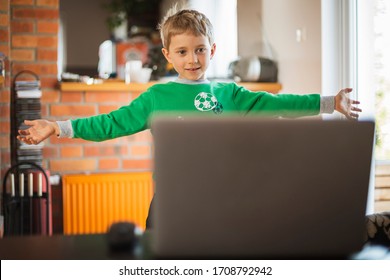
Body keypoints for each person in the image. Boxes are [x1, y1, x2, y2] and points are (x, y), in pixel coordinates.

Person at [17, 7, 362, 229]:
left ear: (212, 49)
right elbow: (110, 123)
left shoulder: (231, 94)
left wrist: (329, 101)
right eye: (182, 51)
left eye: (199, 49)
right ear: (168, 55)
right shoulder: (156, 97)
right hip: (170, 204)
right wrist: (57, 127)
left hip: (221, 204)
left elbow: (277, 104)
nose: (192, 58)